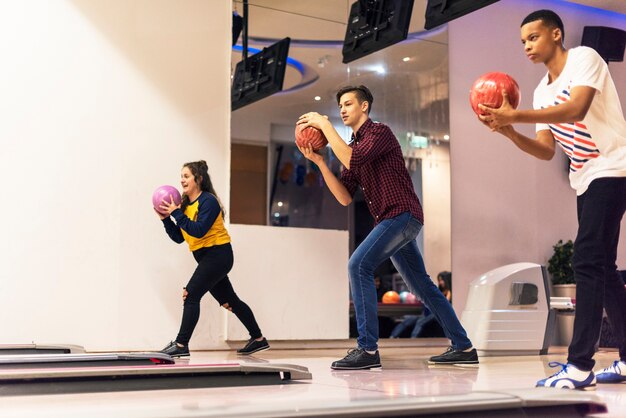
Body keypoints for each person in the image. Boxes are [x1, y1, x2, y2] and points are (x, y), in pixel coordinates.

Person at [479, 10, 626, 389]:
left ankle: (579, 366)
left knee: (588, 259)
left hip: (614, 167)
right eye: (522, 41)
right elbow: (546, 150)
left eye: (533, 37)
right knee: (604, 268)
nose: (527, 46)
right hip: (586, 177)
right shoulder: (541, 91)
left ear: (556, 34)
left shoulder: (584, 58)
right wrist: (509, 131)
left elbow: (576, 107)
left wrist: (517, 114)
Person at [297, 85, 477, 369]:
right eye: (340, 106)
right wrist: (319, 161)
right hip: (393, 219)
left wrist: (324, 125)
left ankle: (367, 351)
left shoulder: (379, 132)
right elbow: (344, 196)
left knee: (358, 266)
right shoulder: (352, 147)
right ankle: (464, 346)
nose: (342, 109)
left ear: (364, 106)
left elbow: (353, 159)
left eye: (348, 104)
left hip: (402, 215)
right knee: (424, 288)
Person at [156, 160, 269, 357]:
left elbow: (198, 231)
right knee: (230, 301)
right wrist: (166, 219)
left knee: (190, 295)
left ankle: (181, 345)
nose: (181, 180)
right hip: (206, 258)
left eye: (186, 176)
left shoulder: (208, 201)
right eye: (181, 176)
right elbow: (179, 237)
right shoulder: (184, 204)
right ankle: (259, 339)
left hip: (219, 255)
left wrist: (175, 213)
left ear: (198, 179)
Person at [390, 272, 451, 339]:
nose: (440, 282)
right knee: (408, 320)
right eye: (439, 280)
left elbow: (445, 304)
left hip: (438, 314)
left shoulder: (450, 292)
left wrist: (448, 293)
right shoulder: (438, 291)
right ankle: (393, 336)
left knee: (420, 322)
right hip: (427, 313)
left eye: (442, 280)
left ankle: (413, 338)